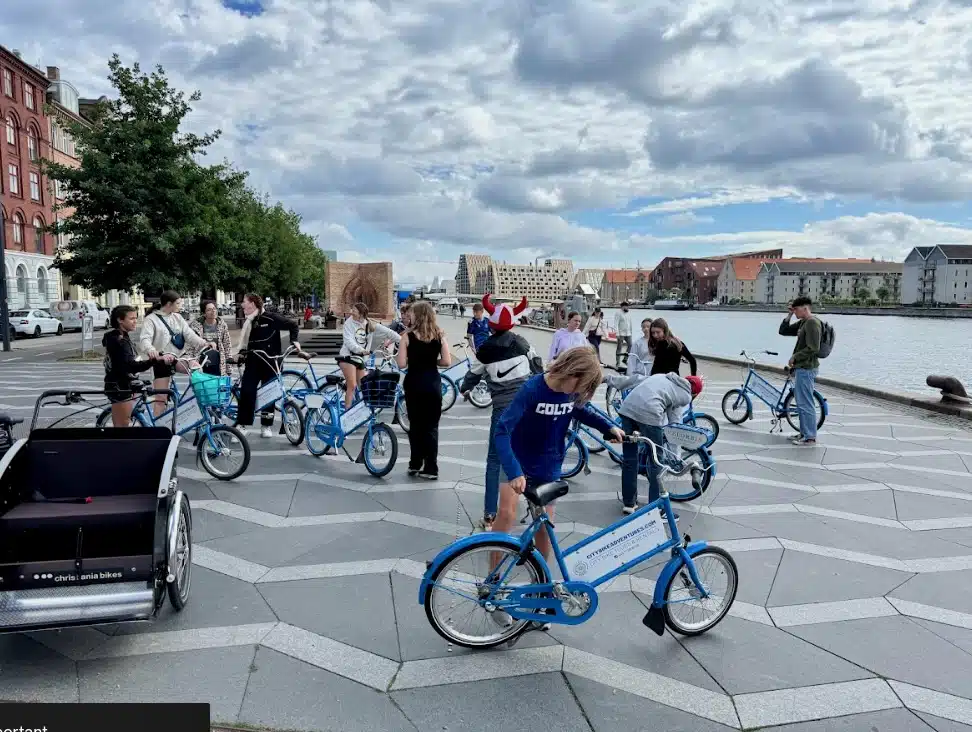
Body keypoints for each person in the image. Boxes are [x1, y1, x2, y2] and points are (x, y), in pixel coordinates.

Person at [493, 347, 623, 566]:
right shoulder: (532, 389)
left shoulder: (572, 393)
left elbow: (581, 410)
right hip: (517, 460)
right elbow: (502, 432)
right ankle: (492, 574)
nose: (579, 393)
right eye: (581, 386)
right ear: (571, 373)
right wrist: (514, 471)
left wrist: (608, 427)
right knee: (506, 514)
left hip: (548, 465)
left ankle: (541, 580)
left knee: (545, 526)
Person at [459, 294, 543, 530]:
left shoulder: (485, 350)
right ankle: (536, 508)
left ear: (491, 325)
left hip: (503, 411)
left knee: (494, 461)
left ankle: (490, 516)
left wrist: (465, 389)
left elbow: (473, 375)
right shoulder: (523, 343)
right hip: (527, 408)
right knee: (528, 456)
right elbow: (538, 368)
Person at [607, 371, 704, 516]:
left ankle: (629, 504)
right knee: (656, 462)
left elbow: (634, 379)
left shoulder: (663, 376)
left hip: (627, 409)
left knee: (629, 459)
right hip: (649, 414)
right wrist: (675, 456)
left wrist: (608, 379)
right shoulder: (686, 396)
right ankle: (655, 508)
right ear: (695, 394)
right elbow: (674, 424)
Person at [397, 301, 451, 479]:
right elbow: (446, 362)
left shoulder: (407, 336)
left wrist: (416, 361)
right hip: (433, 384)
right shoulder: (440, 335)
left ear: (418, 315)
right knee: (431, 427)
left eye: (411, 313)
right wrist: (431, 362)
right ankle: (431, 468)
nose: (409, 316)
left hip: (414, 383)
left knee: (416, 426)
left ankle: (415, 463)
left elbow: (401, 363)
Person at [235, 293, 301, 438]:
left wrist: (294, 340)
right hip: (252, 363)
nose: (242, 305)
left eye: (244, 302)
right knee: (247, 392)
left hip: (270, 363)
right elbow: (246, 344)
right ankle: (243, 424)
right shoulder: (249, 322)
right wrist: (240, 354)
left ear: (252, 303)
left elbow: (293, 325)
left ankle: (266, 426)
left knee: (269, 395)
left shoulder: (271, 318)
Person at [138, 290, 208, 417]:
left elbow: (189, 334)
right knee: (161, 399)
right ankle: (157, 427)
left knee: (196, 367)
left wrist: (204, 343)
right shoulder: (151, 319)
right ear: (169, 304)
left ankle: (196, 403)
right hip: (162, 360)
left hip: (179, 357)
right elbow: (145, 339)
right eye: (178, 303)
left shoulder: (177, 317)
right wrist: (151, 350)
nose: (180, 306)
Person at [103, 305, 171, 427]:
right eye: (132, 318)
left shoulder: (123, 337)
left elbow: (131, 361)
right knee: (122, 428)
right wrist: (153, 361)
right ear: (120, 320)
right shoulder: (119, 341)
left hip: (125, 385)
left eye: (136, 318)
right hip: (120, 388)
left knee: (125, 424)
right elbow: (131, 366)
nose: (135, 321)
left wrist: (156, 357)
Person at [337, 302, 401, 410]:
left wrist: (402, 342)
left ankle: (360, 411)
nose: (352, 312)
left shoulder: (370, 325)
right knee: (352, 385)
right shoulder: (349, 322)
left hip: (360, 359)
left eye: (354, 310)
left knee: (364, 387)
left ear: (361, 314)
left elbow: (390, 333)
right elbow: (348, 341)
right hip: (347, 357)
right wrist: (361, 350)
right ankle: (347, 414)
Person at [779, 296, 822, 446]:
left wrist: (795, 356)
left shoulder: (812, 323)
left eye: (796, 309)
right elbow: (783, 331)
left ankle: (810, 437)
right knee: (801, 403)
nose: (795, 312)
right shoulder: (804, 322)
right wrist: (789, 315)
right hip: (801, 367)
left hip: (807, 367)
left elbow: (813, 348)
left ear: (805, 308)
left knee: (806, 403)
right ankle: (804, 433)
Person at [190, 301, 233, 376]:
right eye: (209, 310)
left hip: (218, 363)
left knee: (217, 386)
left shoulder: (222, 325)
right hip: (201, 362)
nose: (213, 311)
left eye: (214, 308)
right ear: (204, 313)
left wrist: (228, 366)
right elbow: (191, 345)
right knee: (203, 386)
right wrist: (192, 362)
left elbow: (227, 345)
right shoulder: (195, 326)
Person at [615, 302, 632, 368]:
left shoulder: (629, 313)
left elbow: (630, 324)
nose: (627, 308)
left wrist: (631, 332)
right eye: (626, 306)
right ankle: (617, 363)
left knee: (630, 345)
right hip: (621, 334)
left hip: (628, 333)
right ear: (622, 306)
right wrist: (617, 333)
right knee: (619, 348)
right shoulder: (618, 313)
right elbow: (616, 324)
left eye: (628, 306)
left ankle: (625, 359)